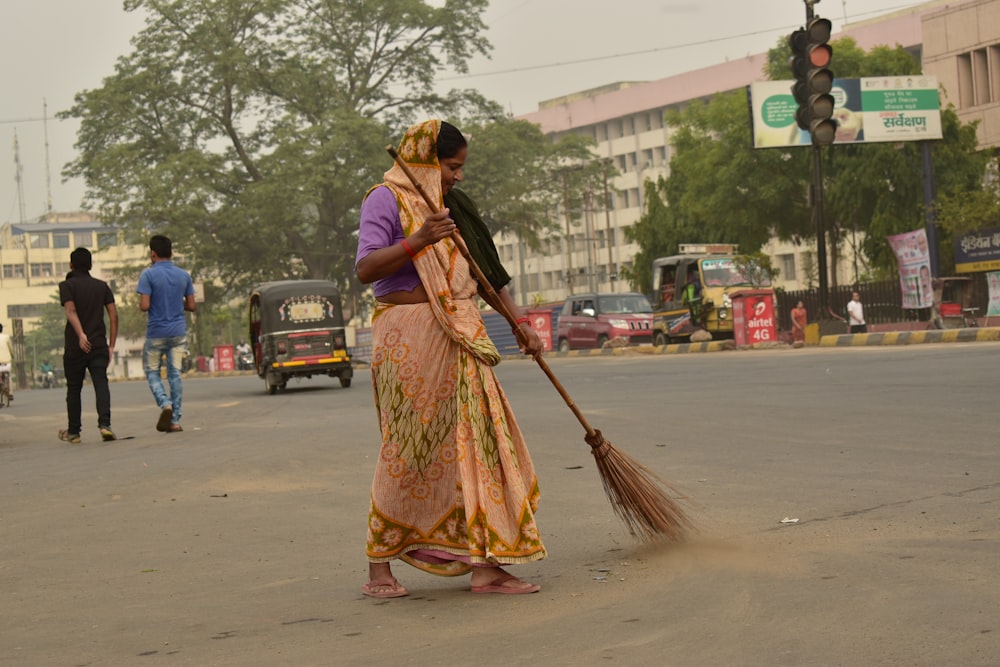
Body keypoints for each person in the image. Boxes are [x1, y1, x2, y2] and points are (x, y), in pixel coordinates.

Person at [355, 119, 545, 599]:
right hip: (411, 335)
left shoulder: (455, 205)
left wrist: (520, 324)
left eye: (460, 167)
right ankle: (379, 567)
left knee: (477, 446)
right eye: (450, 166)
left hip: (463, 332)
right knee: (409, 448)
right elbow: (366, 268)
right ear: (423, 159)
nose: (458, 176)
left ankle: (485, 565)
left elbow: (487, 274)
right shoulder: (387, 197)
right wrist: (418, 239)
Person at [58, 248, 118, 443]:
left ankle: (74, 432)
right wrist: (111, 345)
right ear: (91, 265)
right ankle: (105, 426)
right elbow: (113, 316)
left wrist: (81, 335)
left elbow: (71, 310)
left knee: (74, 388)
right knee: (101, 382)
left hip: (76, 346)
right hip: (99, 344)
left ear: (71, 265)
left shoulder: (67, 285)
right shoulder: (102, 286)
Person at [137, 235, 196, 433]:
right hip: (178, 332)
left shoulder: (148, 275)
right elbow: (192, 305)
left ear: (153, 254)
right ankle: (175, 420)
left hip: (156, 333)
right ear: (171, 252)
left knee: (153, 372)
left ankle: (165, 404)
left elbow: (144, 305)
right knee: (175, 374)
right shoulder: (183, 275)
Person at [0, 323, 13, 404]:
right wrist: (12, 355)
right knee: (9, 376)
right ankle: (10, 393)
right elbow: (11, 348)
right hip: (7, 361)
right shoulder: (6, 337)